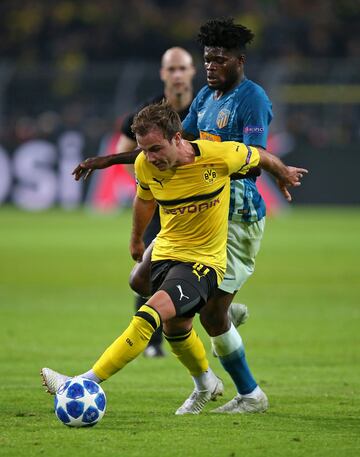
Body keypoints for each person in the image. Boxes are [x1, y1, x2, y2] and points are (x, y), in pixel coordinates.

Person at [71, 18, 296, 414]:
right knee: (141, 278)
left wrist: (258, 166)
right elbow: (172, 146)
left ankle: (248, 394)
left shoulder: (252, 99)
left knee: (206, 316)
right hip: (200, 215)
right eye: (207, 59)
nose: (210, 67)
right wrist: (111, 160)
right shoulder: (206, 98)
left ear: (239, 60)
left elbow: (253, 160)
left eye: (219, 60)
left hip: (236, 215)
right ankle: (209, 368)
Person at [42, 101, 307, 415]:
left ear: (178, 138)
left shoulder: (220, 155)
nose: (150, 157)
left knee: (151, 312)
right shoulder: (146, 164)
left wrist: (283, 173)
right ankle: (205, 382)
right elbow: (144, 199)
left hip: (203, 261)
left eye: (155, 148)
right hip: (167, 249)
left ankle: (81, 381)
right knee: (174, 326)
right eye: (144, 149)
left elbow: (259, 155)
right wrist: (136, 238)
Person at [117, 46, 197, 357]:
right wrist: (148, 180)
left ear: (192, 72)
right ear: (163, 74)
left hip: (197, 202)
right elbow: (125, 150)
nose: (177, 75)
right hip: (161, 204)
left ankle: (218, 315)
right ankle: (153, 343)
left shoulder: (205, 106)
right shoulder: (146, 112)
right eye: (171, 69)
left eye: (182, 68)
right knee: (150, 265)